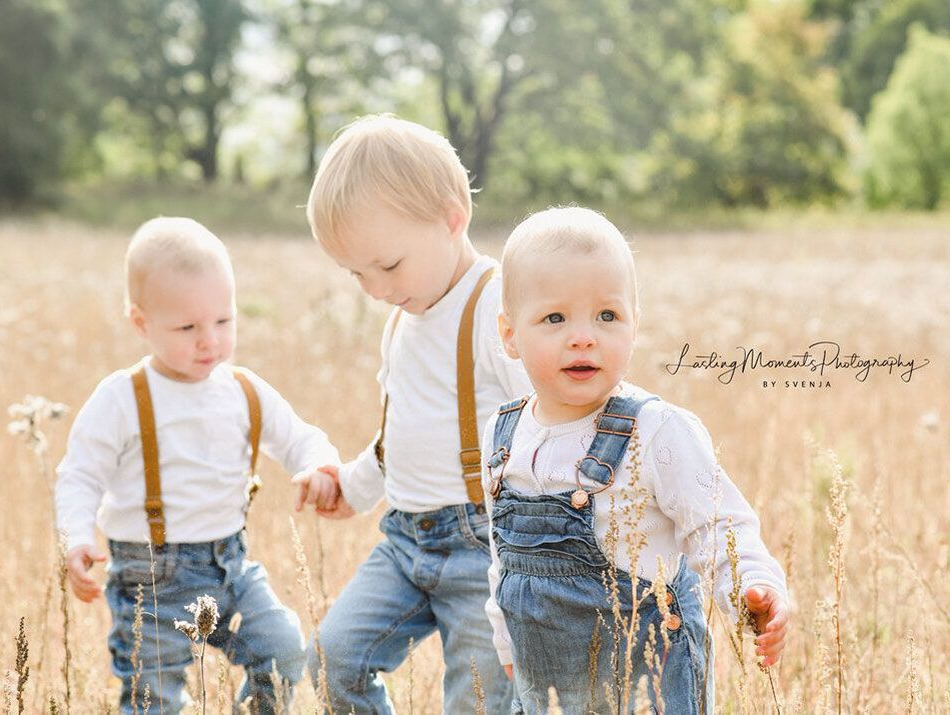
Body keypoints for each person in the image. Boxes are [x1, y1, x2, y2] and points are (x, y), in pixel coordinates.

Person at [483, 206, 790, 713]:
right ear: (510, 334)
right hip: (548, 686)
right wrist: (504, 638)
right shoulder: (503, 433)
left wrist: (751, 589)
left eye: (607, 315)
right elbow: (501, 557)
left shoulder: (656, 430)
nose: (583, 336)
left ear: (634, 324)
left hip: (648, 678)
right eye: (554, 317)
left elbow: (719, 526)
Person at [55, 217, 339, 713]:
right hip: (150, 578)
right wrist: (76, 538)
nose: (209, 340)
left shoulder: (243, 389)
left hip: (230, 566)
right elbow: (80, 475)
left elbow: (300, 438)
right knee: (153, 698)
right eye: (188, 328)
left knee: (284, 649)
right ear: (140, 322)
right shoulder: (123, 398)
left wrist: (319, 466)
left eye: (223, 321)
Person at [296, 115, 530, 713]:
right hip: (405, 540)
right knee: (332, 658)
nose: (374, 288)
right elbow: (398, 431)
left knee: (480, 699)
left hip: (487, 549)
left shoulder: (494, 307)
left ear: (453, 218)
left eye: (388, 266)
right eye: (358, 274)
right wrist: (352, 485)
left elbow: (545, 421)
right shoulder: (401, 320)